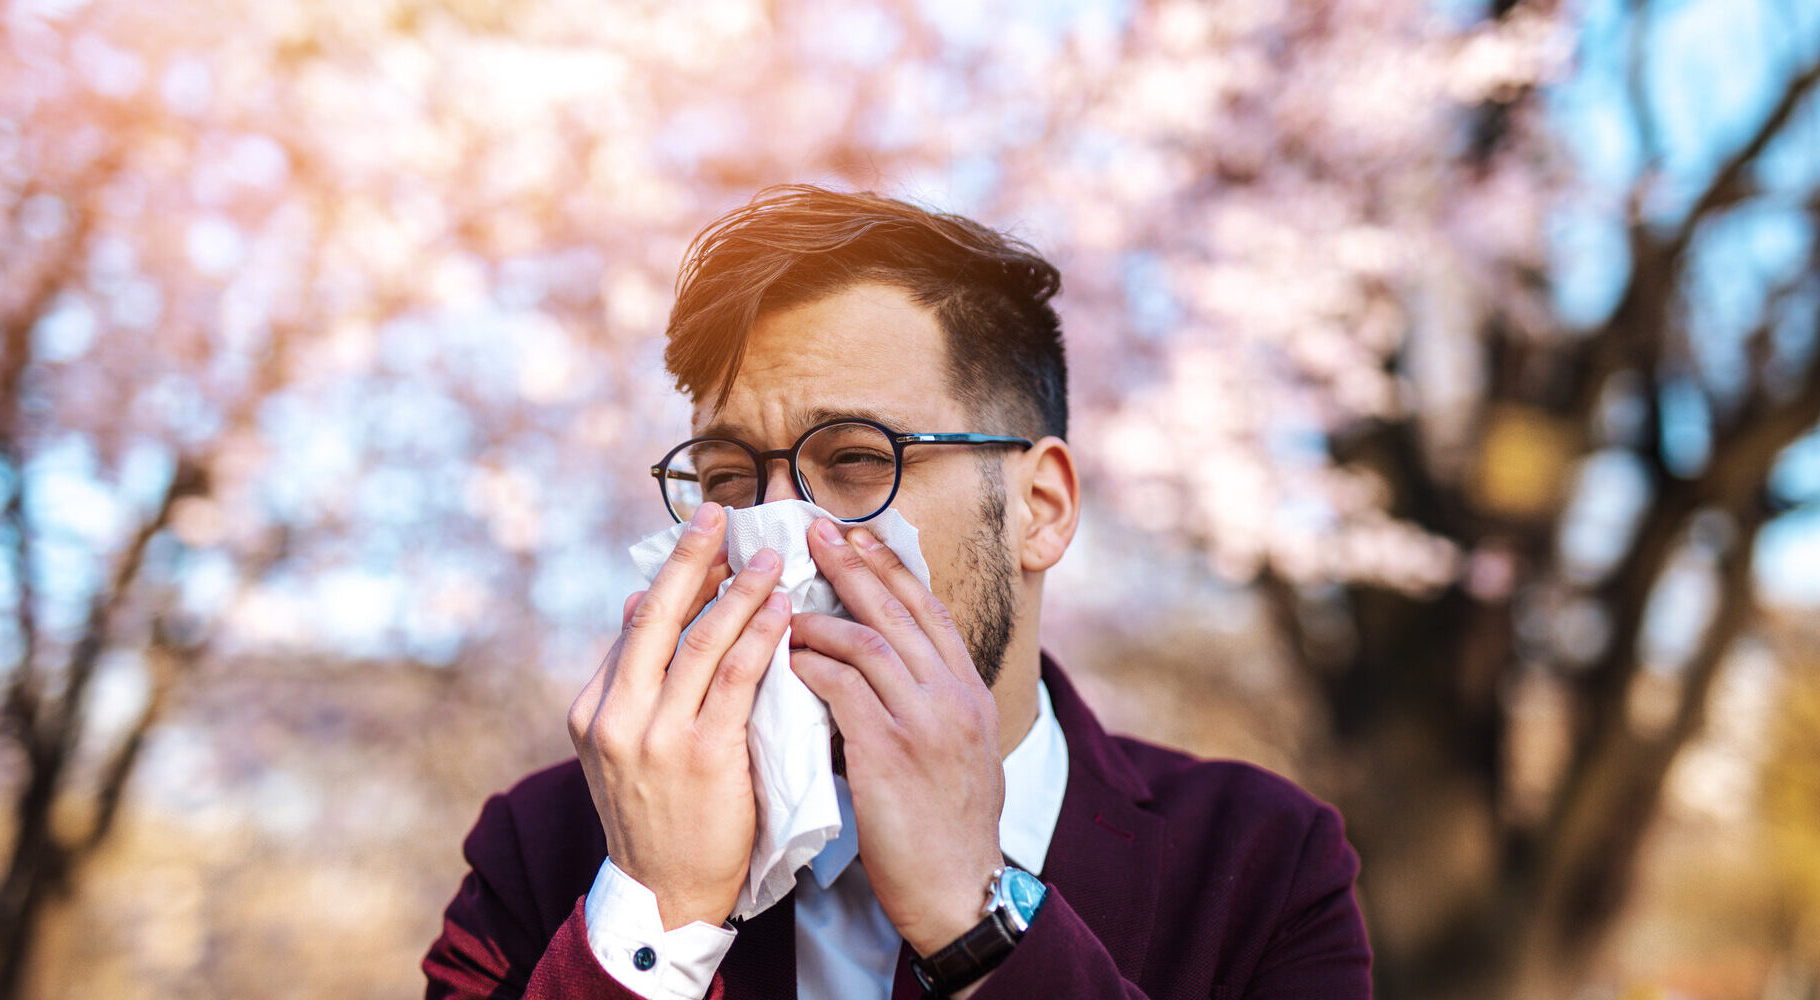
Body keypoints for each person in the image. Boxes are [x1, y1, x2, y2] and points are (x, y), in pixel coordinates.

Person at [424, 187, 1372, 1000]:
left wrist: (979, 920)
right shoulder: (551, 850)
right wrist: (652, 923)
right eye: (725, 479)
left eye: (856, 461)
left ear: (1038, 509)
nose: (778, 543)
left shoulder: (1260, 862)